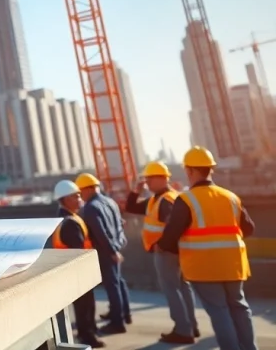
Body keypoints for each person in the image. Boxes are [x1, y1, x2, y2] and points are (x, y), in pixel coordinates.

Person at [157, 146, 257, 350]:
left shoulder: (186, 200)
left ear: (189, 171)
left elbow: (169, 238)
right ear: (211, 169)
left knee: (219, 311)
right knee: (239, 307)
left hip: (204, 267)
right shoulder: (230, 197)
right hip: (234, 264)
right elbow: (249, 228)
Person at [124, 161, 198, 344]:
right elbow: (131, 208)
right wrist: (136, 191)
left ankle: (183, 330)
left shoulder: (166, 200)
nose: (147, 182)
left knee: (172, 289)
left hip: (168, 252)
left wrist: (163, 245)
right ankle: (190, 326)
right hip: (174, 251)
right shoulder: (155, 199)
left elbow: (174, 226)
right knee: (182, 288)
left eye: (150, 178)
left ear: (162, 178)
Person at [50, 180, 104, 348]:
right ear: (65, 200)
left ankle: (89, 331)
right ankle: (87, 336)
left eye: (79, 195)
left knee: (85, 304)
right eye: (75, 196)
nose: (79, 198)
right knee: (84, 306)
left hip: (75, 269)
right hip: (78, 270)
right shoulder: (69, 223)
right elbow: (78, 249)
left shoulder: (69, 218)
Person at [76, 172, 131, 335]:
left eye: (81, 192)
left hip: (106, 251)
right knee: (118, 282)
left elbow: (100, 233)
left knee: (112, 285)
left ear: (87, 189)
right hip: (115, 246)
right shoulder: (110, 201)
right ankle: (124, 313)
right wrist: (118, 245)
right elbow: (121, 224)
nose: (80, 196)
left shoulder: (91, 208)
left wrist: (111, 251)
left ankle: (117, 322)